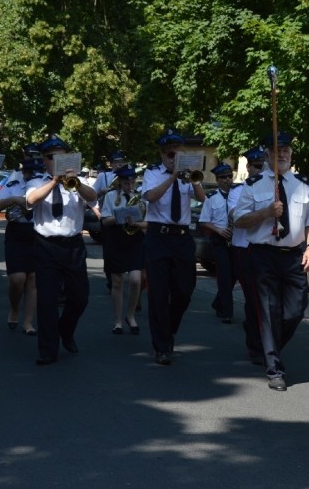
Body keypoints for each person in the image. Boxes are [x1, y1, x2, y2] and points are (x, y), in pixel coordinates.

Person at [233, 132, 309, 392]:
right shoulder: (254, 185)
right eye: (277, 150)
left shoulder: (302, 184)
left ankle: (268, 345)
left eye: (286, 150)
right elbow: (239, 220)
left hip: (294, 255)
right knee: (269, 310)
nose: (282, 154)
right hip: (263, 255)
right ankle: (274, 369)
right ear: (268, 155)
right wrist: (265, 212)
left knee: (295, 310)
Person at [25, 135, 98, 365]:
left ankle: (65, 331)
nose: (56, 160)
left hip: (73, 246)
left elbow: (93, 198)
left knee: (80, 297)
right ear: (44, 161)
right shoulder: (36, 181)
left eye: (60, 156)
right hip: (45, 246)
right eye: (51, 157)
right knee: (46, 300)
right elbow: (32, 200)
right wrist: (54, 181)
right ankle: (48, 350)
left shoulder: (76, 182)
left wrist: (75, 181)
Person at [141, 129, 206, 365]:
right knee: (158, 293)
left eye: (177, 151)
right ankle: (162, 346)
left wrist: (192, 178)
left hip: (182, 238)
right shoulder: (152, 173)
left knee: (184, 290)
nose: (174, 156)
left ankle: (168, 329)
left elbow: (202, 199)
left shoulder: (189, 175)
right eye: (170, 153)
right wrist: (171, 177)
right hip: (158, 236)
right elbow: (150, 197)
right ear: (162, 154)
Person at [0, 157, 42, 335]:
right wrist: (14, 199)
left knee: (34, 279)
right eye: (28, 171)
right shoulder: (13, 183)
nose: (31, 175)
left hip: (38, 232)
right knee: (17, 279)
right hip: (17, 232)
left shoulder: (44, 185)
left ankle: (28, 322)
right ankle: (14, 308)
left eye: (35, 171)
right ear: (23, 171)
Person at [230, 147, 266, 364]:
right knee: (254, 300)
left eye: (264, 166)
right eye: (258, 167)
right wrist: (263, 212)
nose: (261, 171)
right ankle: (255, 345)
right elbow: (236, 216)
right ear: (249, 167)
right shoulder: (238, 191)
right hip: (243, 249)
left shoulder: (272, 188)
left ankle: (267, 340)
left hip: (266, 249)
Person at [100, 164, 145, 335]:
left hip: (135, 240)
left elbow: (147, 222)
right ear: (120, 182)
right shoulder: (111, 196)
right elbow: (105, 220)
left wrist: (137, 223)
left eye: (132, 181)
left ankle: (131, 315)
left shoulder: (140, 198)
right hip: (116, 239)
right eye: (127, 182)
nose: (130, 185)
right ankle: (118, 320)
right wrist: (122, 216)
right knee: (117, 282)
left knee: (135, 280)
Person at [199, 162, 237, 323]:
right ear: (218, 179)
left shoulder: (239, 194)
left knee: (234, 274)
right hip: (219, 239)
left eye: (230, 176)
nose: (228, 180)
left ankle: (218, 302)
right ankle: (227, 312)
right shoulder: (211, 198)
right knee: (224, 275)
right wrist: (219, 230)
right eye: (224, 177)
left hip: (236, 239)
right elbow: (203, 221)